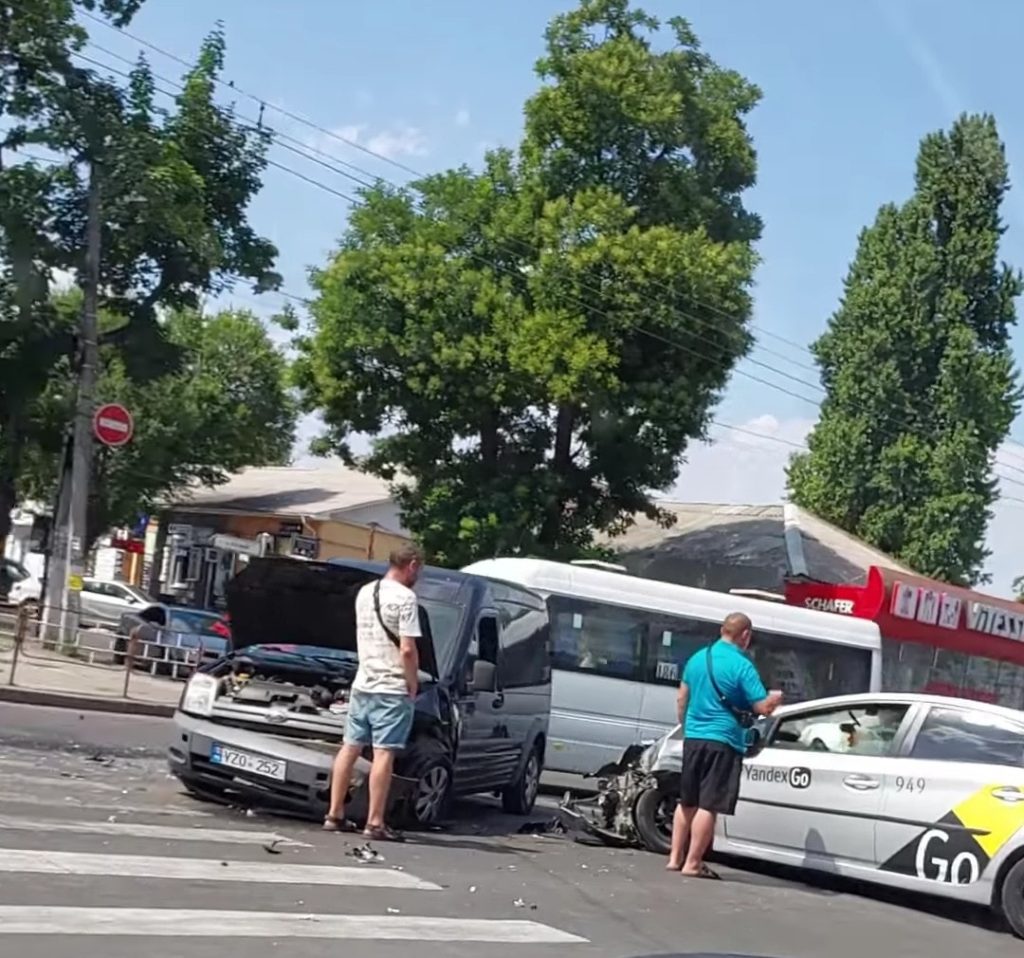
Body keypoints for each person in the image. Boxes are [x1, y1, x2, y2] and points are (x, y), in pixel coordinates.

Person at [667, 612, 783, 878]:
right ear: (745, 636)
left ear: (722, 630)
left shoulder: (698, 658)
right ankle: (693, 863)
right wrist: (776, 699)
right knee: (709, 804)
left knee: (687, 800)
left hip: (694, 738)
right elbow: (762, 707)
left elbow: (682, 698)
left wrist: (687, 728)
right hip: (725, 741)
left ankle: (674, 858)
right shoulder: (742, 666)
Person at [323, 545, 423, 841]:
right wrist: (412, 682)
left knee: (349, 747)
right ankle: (375, 822)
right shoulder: (406, 598)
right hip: (391, 688)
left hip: (362, 684)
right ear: (413, 565)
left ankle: (334, 814)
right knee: (383, 753)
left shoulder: (365, 592)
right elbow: (407, 649)